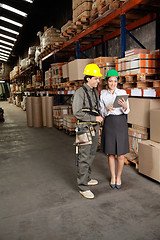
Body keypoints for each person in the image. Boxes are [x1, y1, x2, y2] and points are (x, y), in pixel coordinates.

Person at [72, 63, 103, 199]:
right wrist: (94, 118)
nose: (98, 81)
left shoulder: (95, 92)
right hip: (84, 129)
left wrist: (98, 126)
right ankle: (83, 187)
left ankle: (87, 178)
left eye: (98, 78)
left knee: (91, 155)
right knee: (84, 157)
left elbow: (96, 109)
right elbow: (77, 112)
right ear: (88, 79)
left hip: (94, 128)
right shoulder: (80, 93)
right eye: (96, 78)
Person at [100, 69, 130, 189]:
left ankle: (119, 176)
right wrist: (106, 109)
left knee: (121, 154)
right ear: (107, 81)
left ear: (117, 81)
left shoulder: (122, 92)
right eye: (110, 81)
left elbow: (127, 111)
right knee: (111, 153)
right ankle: (112, 176)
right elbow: (101, 112)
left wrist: (125, 106)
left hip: (121, 123)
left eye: (115, 81)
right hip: (109, 123)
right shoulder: (103, 94)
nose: (113, 83)